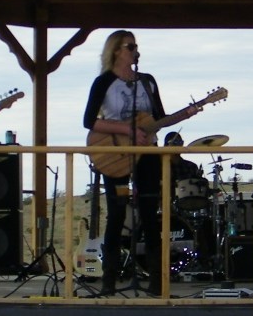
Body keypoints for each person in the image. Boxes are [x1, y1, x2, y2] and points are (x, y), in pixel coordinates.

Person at [83, 31, 198, 295]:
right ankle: (109, 280)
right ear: (116, 50)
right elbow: (89, 120)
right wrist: (127, 130)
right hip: (115, 153)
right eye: (131, 46)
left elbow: (159, 118)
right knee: (117, 214)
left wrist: (186, 113)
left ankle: (157, 281)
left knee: (149, 214)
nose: (136, 50)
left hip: (147, 153)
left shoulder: (147, 81)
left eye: (136, 46)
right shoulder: (104, 82)